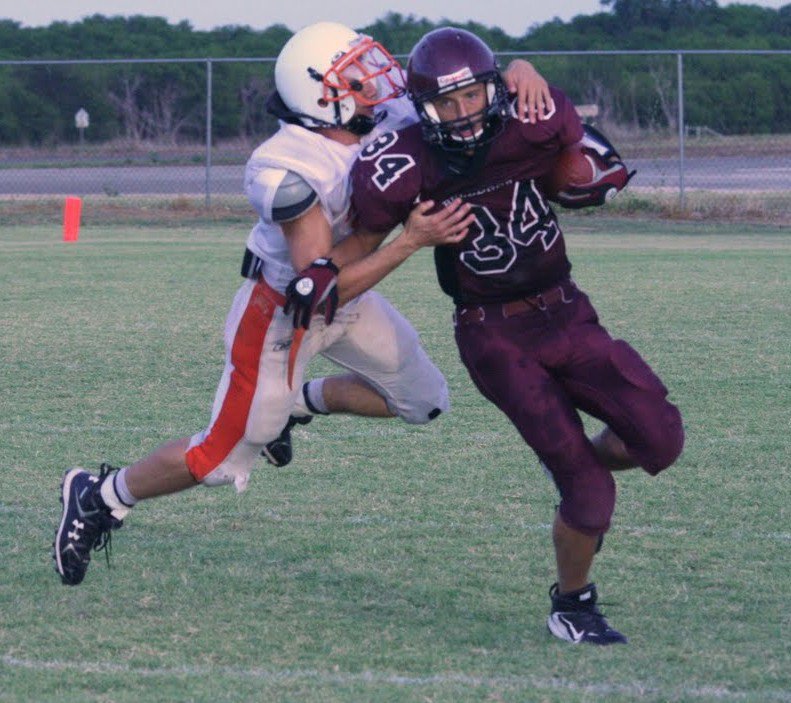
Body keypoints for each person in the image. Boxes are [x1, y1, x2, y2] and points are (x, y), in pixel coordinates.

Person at [52, 21, 551, 586]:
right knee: (219, 461)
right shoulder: (286, 167)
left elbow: (466, 90)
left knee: (424, 401)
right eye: (357, 75)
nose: (377, 79)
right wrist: (412, 241)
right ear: (321, 96)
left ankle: (298, 405)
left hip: (352, 295)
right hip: (283, 312)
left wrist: (520, 73)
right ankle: (102, 496)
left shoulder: (386, 115)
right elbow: (318, 286)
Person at [316, 27, 684, 645]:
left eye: (474, 96)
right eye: (444, 104)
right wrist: (411, 240)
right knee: (589, 495)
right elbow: (335, 277)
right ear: (419, 108)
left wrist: (525, 68)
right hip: (494, 336)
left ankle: (573, 467)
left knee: (661, 439)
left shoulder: (533, 117)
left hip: (568, 311)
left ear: (495, 88)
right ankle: (573, 603)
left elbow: (583, 156)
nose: (463, 116)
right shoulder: (401, 166)